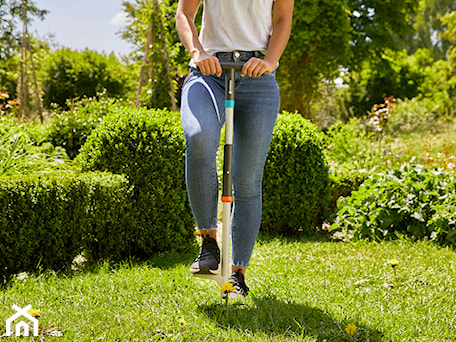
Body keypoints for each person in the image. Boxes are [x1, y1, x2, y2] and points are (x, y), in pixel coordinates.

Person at [176, 0, 294, 297]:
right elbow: (184, 14)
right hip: (207, 72)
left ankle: (237, 274)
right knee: (200, 136)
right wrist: (198, 52)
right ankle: (208, 241)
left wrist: (269, 60)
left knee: (247, 179)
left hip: (258, 77)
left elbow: (282, 20)